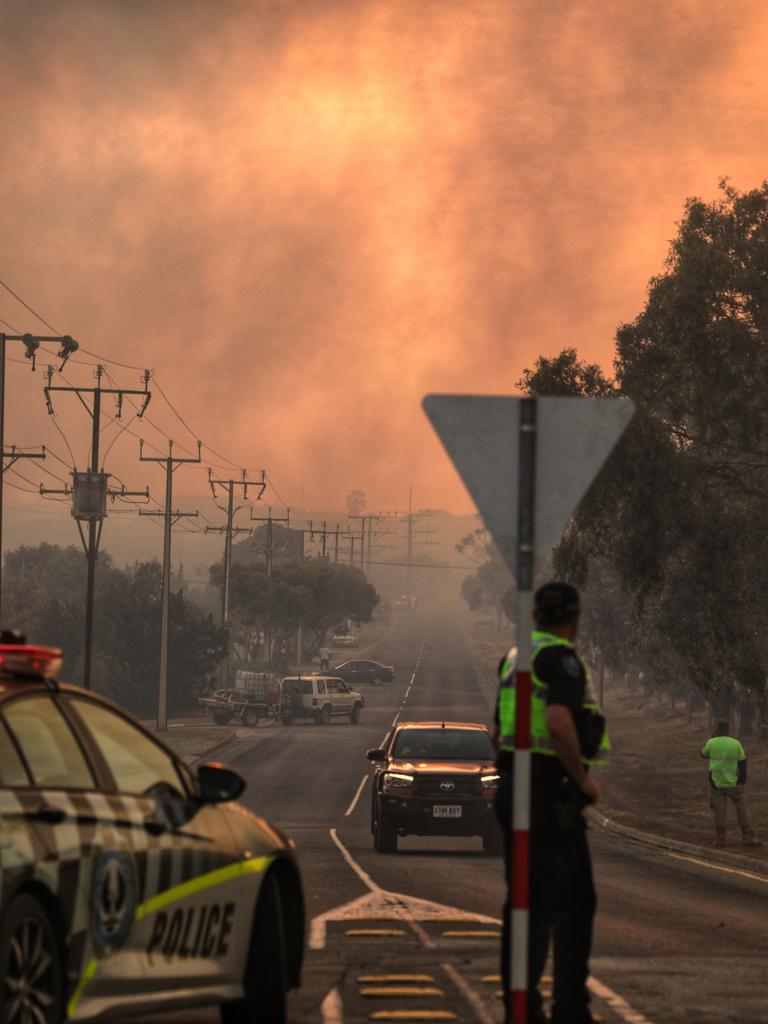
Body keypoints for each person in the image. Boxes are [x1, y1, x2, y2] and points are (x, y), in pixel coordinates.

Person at [493, 582, 608, 1024]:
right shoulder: (558, 658)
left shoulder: (514, 657)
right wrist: (582, 780)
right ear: (574, 619)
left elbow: (498, 732)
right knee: (571, 902)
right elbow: (559, 722)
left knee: (524, 901)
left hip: (513, 787)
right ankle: (567, 1008)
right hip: (547, 793)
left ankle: (520, 1006)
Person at [700, 721, 761, 848]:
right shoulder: (736, 743)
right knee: (742, 810)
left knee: (719, 812)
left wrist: (712, 739)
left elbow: (703, 754)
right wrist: (741, 781)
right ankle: (747, 837)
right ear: (728, 730)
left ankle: (720, 839)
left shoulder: (711, 743)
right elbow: (743, 764)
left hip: (717, 784)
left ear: (716, 729)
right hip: (734, 783)